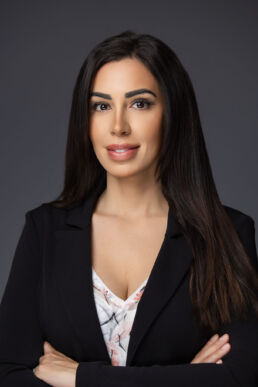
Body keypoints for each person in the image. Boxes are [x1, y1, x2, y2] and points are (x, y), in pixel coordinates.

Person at [0, 30, 257, 387]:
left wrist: (80, 377)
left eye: (140, 103)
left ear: (172, 113)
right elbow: (9, 374)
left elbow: (240, 378)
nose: (118, 126)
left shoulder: (229, 232)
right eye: (101, 106)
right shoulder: (44, 230)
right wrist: (184, 379)